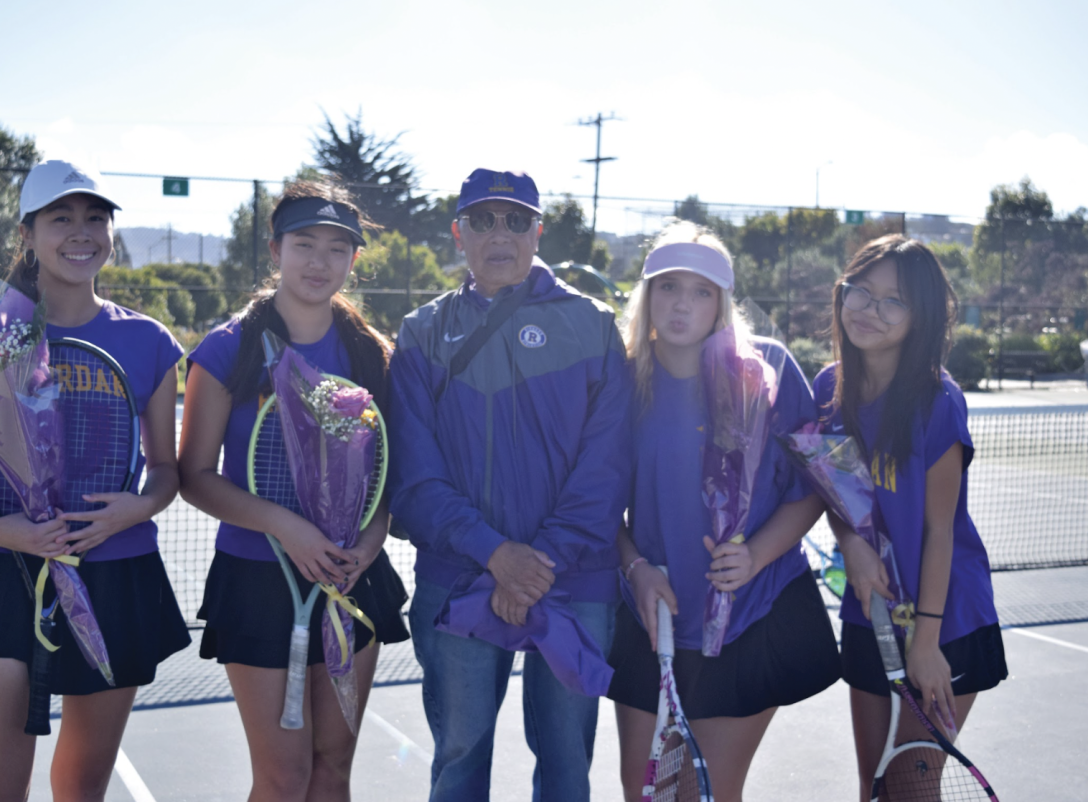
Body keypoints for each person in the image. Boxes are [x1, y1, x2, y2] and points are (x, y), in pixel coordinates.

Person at [0, 160, 189, 801]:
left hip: (118, 571)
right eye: (61, 217)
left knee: (82, 785)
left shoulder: (147, 340)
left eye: (96, 217)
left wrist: (136, 509)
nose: (81, 231)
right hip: (2, 572)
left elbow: (167, 470)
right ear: (29, 231)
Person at [387, 168, 632, 802]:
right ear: (458, 233)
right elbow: (415, 477)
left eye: (517, 219)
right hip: (458, 577)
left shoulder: (595, 324)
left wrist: (537, 565)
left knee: (566, 764)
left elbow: (607, 467)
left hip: (575, 583)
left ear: (538, 231)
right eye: (484, 220)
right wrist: (497, 555)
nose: (501, 234)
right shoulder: (419, 333)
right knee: (461, 756)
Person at [177, 179, 409, 801]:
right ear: (276, 249)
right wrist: (287, 526)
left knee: (333, 770)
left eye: (337, 248)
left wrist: (369, 541)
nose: (319, 261)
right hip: (258, 583)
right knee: (284, 779)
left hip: (352, 579)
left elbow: (385, 479)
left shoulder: (371, 355)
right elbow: (193, 476)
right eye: (305, 243)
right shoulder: (228, 350)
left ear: (354, 261)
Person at [607, 221, 841, 802]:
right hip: (650, 617)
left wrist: (756, 555)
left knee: (705, 794)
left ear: (722, 302)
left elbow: (820, 484)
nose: (682, 304)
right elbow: (594, 501)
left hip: (748, 619)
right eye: (668, 287)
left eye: (701, 290)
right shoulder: (618, 380)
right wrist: (635, 567)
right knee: (642, 793)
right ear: (647, 295)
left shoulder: (772, 370)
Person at [814, 234, 1008, 801]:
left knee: (907, 791)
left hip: (945, 621)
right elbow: (840, 498)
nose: (870, 310)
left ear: (918, 316)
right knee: (872, 787)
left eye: (892, 300)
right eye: (861, 291)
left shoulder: (937, 399)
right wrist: (849, 542)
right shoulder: (830, 388)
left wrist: (926, 643)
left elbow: (938, 530)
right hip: (869, 613)